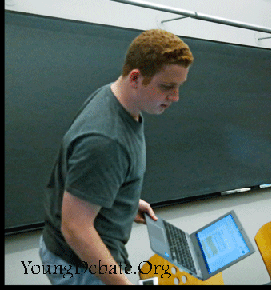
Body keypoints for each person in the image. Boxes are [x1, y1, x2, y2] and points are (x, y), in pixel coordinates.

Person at [39, 29, 194, 285]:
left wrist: (126, 203)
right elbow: (76, 229)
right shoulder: (105, 140)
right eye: (166, 87)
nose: (175, 97)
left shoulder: (116, 99)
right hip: (80, 265)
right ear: (135, 78)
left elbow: (88, 182)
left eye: (179, 87)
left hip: (78, 249)